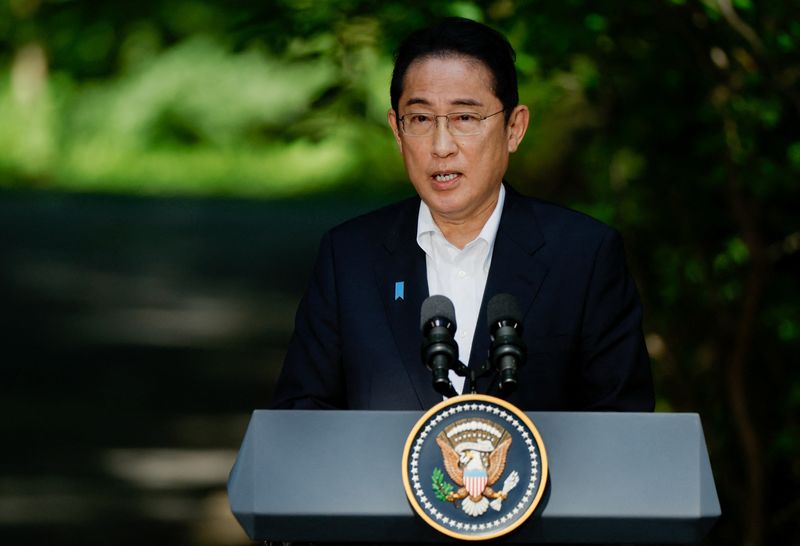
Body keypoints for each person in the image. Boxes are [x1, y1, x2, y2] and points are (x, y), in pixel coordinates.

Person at [272, 17, 654, 411]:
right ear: (396, 130)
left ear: (514, 128)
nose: (441, 146)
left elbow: (621, 423)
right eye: (420, 119)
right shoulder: (349, 256)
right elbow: (301, 417)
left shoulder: (584, 256)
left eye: (465, 118)